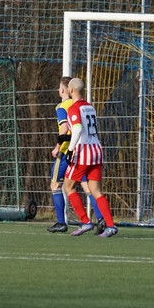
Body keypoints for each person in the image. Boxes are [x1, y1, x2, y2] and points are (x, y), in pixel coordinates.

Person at [62, 77, 118, 237]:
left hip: (83, 152)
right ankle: (111, 226)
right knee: (95, 190)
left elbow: (78, 129)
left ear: (70, 90)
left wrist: (70, 150)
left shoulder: (73, 108)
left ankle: (85, 221)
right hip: (97, 150)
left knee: (68, 187)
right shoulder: (90, 107)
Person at [47, 76, 104, 233]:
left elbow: (64, 128)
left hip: (67, 150)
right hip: (84, 151)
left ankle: (61, 222)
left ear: (63, 90)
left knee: (56, 185)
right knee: (88, 187)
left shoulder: (61, 107)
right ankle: (101, 219)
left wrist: (57, 147)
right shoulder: (80, 105)